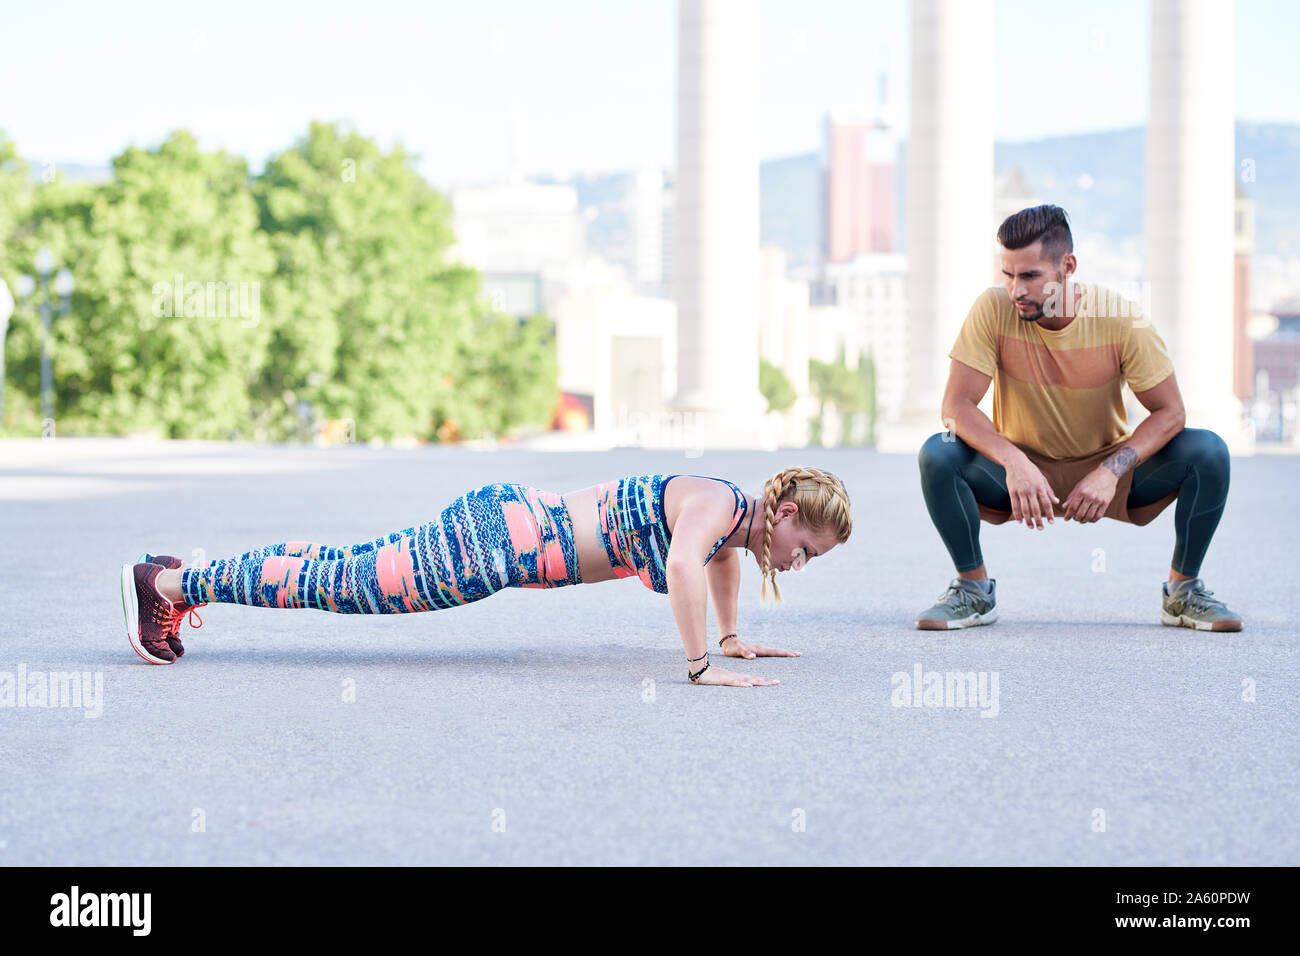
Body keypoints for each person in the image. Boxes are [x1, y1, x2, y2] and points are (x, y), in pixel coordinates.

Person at [121, 467, 853, 686]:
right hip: (498, 545)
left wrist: (730, 638)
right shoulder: (721, 501)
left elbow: (719, 560)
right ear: (784, 511)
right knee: (339, 583)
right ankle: (168, 587)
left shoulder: (731, 518)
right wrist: (698, 667)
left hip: (505, 527)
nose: (798, 563)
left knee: (338, 567)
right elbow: (683, 561)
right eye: (806, 548)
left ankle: (180, 576)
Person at [915, 204, 1242, 632]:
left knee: (1209, 451)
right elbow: (955, 407)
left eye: (1029, 276)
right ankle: (973, 591)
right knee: (938, 452)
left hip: (1108, 470)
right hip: (1020, 471)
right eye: (1008, 274)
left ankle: (1183, 592)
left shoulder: (1121, 320)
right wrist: (1014, 462)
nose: (1015, 290)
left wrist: (1110, 471)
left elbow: (1171, 412)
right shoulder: (992, 309)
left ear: (1067, 266)